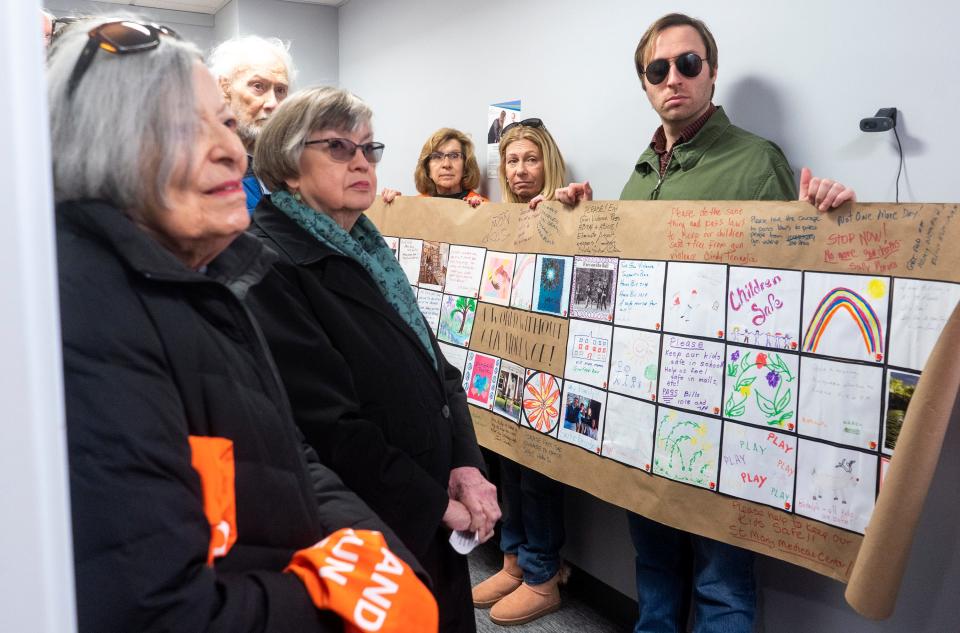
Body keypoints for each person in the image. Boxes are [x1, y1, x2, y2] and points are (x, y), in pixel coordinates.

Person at [48, 19, 435, 633]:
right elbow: (158, 610)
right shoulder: (86, 317)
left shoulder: (207, 277)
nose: (232, 149)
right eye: (185, 126)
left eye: (227, 124)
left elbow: (283, 451)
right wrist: (337, 601)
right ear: (103, 145)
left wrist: (374, 554)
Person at [555, 13, 855, 633]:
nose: (674, 78)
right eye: (658, 69)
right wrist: (574, 220)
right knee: (655, 566)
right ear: (645, 84)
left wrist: (828, 218)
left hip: (725, 414)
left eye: (688, 64)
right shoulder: (638, 176)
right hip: (645, 409)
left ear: (712, 73)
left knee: (721, 583)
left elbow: (796, 281)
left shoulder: (755, 161)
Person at [244, 86, 501, 633]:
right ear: (289, 166)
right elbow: (329, 428)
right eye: (338, 148)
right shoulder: (270, 262)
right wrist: (432, 502)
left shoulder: (363, 243)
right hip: (368, 532)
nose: (361, 161)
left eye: (368, 148)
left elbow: (435, 367)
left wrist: (466, 464)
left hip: (428, 508)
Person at [471, 118, 575, 626]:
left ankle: (542, 573)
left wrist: (563, 212)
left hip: (549, 370)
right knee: (505, 464)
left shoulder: (569, 211)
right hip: (508, 362)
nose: (520, 170)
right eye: (511, 161)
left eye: (530, 159)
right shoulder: (504, 218)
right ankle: (513, 560)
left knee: (536, 473)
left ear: (548, 162)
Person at [209, 35, 293, 212]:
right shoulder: (201, 167)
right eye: (258, 86)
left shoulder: (290, 169)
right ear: (224, 88)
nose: (273, 103)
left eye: (280, 90)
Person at [381, 127, 487, 207]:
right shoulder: (415, 206)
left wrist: (482, 213)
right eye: (437, 156)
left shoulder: (482, 206)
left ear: (465, 166)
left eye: (454, 156)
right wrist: (395, 206)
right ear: (427, 169)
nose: (446, 164)